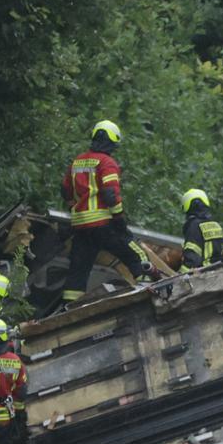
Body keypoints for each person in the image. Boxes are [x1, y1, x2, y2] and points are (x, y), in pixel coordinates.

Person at [55, 119, 153, 310]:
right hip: (103, 224)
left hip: (81, 227)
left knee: (78, 271)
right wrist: (119, 219)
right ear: (111, 142)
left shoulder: (77, 161)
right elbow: (110, 195)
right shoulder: (107, 163)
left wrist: (75, 208)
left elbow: (65, 190)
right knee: (137, 255)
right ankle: (149, 293)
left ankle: (69, 309)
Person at [178, 189, 223, 270]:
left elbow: (192, 257)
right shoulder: (216, 225)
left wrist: (180, 274)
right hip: (220, 271)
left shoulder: (194, 226)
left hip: (204, 273)